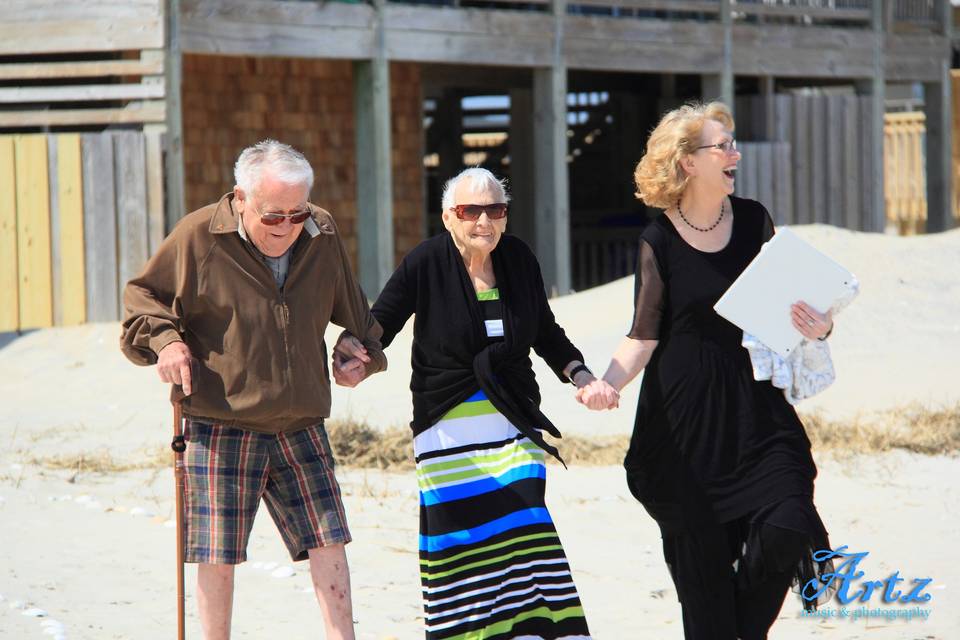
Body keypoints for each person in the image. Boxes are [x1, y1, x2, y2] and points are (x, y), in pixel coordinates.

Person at [578, 102, 836, 639]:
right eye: (723, 146)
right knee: (704, 594)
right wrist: (605, 383)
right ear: (688, 162)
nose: (734, 154)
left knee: (789, 519)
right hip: (683, 429)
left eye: (731, 144)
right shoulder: (659, 240)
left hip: (756, 415)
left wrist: (820, 324)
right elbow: (643, 333)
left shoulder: (754, 221)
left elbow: (794, 305)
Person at [120, 140, 386, 640]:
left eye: (296, 213)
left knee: (330, 542)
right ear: (241, 198)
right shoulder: (198, 236)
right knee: (216, 554)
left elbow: (360, 321)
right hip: (221, 423)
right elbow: (142, 300)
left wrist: (359, 359)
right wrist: (168, 343)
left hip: (302, 421)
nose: (286, 228)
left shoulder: (321, 231)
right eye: (272, 216)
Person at [336, 168, 605, 639]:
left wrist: (580, 375)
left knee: (526, 521)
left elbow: (545, 331)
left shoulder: (518, 258)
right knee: (459, 537)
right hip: (446, 422)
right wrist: (357, 355)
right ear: (448, 217)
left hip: (513, 416)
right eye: (470, 211)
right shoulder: (426, 262)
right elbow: (382, 322)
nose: (484, 221)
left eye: (495, 210)